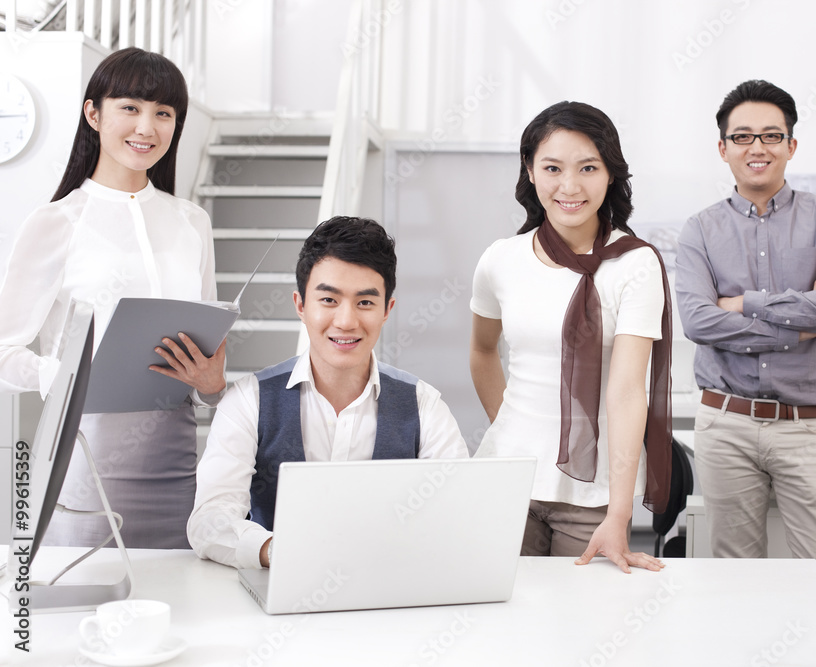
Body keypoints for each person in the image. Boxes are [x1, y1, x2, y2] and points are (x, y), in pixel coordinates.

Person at [0, 47, 225, 548]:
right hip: (85, 452)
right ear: (93, 113)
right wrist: (58, 376)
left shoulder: (193, 222)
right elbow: (4, 351)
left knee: (180, 610)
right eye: (130, 107)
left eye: (163, 114)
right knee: (86, 608)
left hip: (177, 454)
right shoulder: (57, 222)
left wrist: (213, 384)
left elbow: (205, 355)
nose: (147, 127)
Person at [188, 216, 469, 569]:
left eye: (365, 303)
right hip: (276, 593)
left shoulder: (424, 405)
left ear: (387, 311)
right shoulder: (249, 400)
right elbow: (208, 521)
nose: (346, 321)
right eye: (329, 300)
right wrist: (278, 551)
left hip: (391, 598)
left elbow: (457, 514)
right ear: (301, 305)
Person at [469, 101, 671, 574]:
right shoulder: (500, 259)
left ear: (610, 174)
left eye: (588, 168)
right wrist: (517, 428)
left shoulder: (635, 263)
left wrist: (619, 514)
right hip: (506, 477)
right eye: (553, 168)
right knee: (502, 625)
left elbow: (625, 393)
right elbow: (482, 351)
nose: (570, 186)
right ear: (530, 171)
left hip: (592, 496)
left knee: (581, 628)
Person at [675, 80, 816, 561]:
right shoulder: (700, 228)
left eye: (771, 136)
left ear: (791, 145)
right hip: (726, 424)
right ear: (723, 148)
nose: (757, 148)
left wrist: (743, 304)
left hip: (808, 427)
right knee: (732, 574)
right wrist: (801, 323)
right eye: (742, 137)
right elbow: (698, 322)